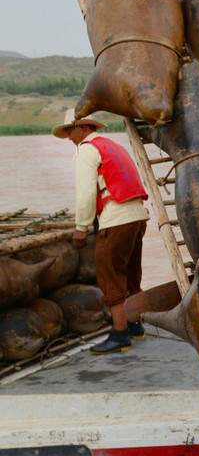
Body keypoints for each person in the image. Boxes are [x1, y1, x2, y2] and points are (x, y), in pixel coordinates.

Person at [52, 111, 150, 355]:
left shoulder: (86, 150)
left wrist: (81, 228)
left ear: (83, 128)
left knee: (109, 274)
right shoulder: (112, 146)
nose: (69, 138)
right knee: (131, 273)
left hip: (115, 219)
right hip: (137, 217)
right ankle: (135, 325)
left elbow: (85, 193)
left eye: (70, 132)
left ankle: (119, 335)